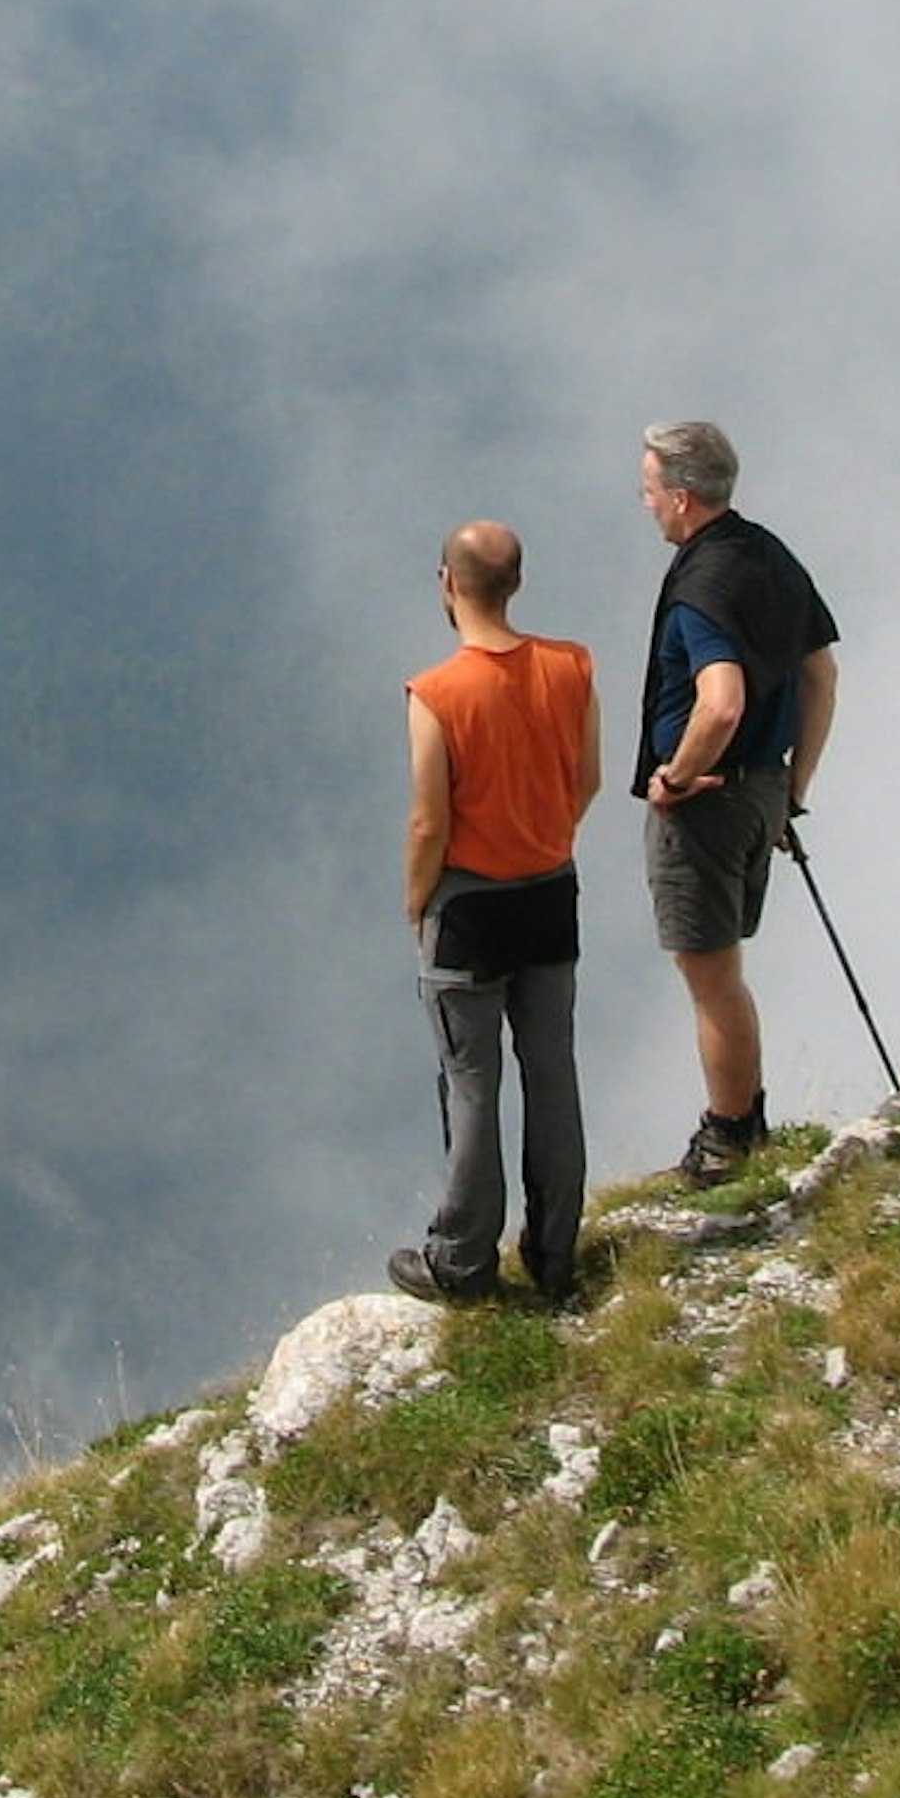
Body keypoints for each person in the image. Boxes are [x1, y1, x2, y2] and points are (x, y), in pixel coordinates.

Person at [392, 519, 599, 1307]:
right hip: (551, 889)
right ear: (516, 582)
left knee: (472, 1080)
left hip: (469, 905)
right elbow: (587, 777)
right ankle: (555, 1253)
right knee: (552, 1072)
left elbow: (428, 822)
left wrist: (418, 899)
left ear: (448, 583)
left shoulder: (435, 695)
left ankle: (463, 1260)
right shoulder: (572, 666)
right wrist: (544, 836)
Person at [632, 419, 841, 1186]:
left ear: (681, 498)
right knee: (724, 968)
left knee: (709, 973)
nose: (645, 500)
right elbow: (820, 675)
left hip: (709, 806)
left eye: (651, 488)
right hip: (763, 792)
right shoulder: (769, 554)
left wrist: (677, 779)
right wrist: (793, 789)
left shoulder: (701, 584)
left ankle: (729, 1137)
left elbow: (719, 703)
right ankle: (740, 1120)